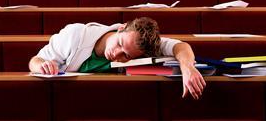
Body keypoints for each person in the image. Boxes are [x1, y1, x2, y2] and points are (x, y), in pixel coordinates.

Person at [29, 17, 206, 99]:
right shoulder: (75, 34)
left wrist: (188, 67)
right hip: (65, 98)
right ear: (121, 28)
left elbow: (180, 46)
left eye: (126, 56)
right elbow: (34, 62)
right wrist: (43, 65)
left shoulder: (141, 47)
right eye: (119, 44)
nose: (116, 54)